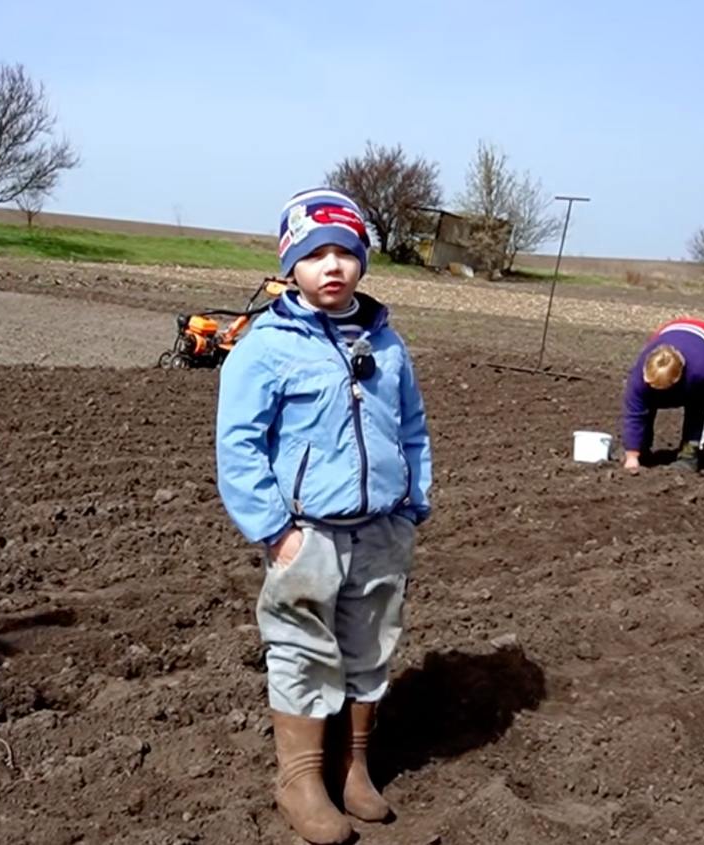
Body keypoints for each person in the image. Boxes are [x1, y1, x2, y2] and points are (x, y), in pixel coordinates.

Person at [215, 188, 433, 843]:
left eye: (345, 251)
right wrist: (275, 530)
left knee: (371, 645)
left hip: (383, 527)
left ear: (362, 259)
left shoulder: (388, 344)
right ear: (291, 265)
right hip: (307, 533)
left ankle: (352, 764)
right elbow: (239, 445)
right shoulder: (266, 346)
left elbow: (413, 428)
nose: (332, 265)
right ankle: (301, 779)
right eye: (315, 254)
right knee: (302, 650)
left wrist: (413, 503)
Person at [621, 318, 704, 473]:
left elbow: (700, 411)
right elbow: (634, 414)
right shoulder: (639, 376)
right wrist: (632, 455)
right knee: (644, 398)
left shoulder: (703, 372)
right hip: (672, 329)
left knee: (697, 407)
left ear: (676, 380)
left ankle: (689, 453)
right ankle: (641, 446)